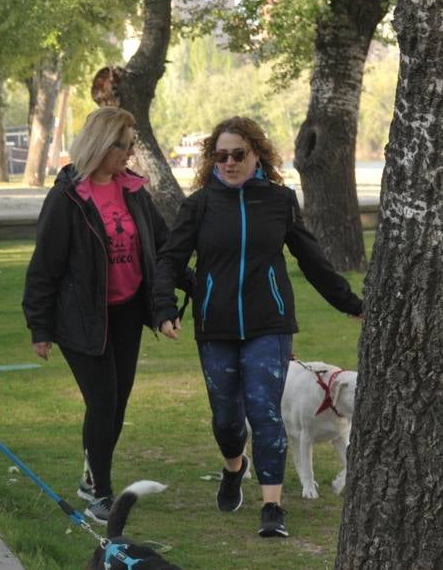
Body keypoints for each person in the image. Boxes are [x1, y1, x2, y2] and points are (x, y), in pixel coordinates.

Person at [153, 116, 363, 539]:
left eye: (238, 155)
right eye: (221, 155)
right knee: (227, 419)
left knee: (265, 413)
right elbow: (170, 261)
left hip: (270, 324)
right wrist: (163, 307)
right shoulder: (199, 206)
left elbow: (312, 259)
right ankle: (235, 465)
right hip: (216, 327)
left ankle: (272, 507)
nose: (229, 163)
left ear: (257, 155)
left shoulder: (280, 201)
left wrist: (350, 303)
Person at [22, 107, 171, 524]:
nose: (130, 153)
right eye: (124, 146)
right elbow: (45, 266)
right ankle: (101, 494)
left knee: (118, 402)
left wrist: (172, 300)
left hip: (125, 312)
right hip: (81, 317)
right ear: (103, 145)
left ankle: (92, 477)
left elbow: (162, 248)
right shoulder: (68, 197)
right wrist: (40, 326)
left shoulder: (134, 192)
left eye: (131, 145)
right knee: (102, 401)